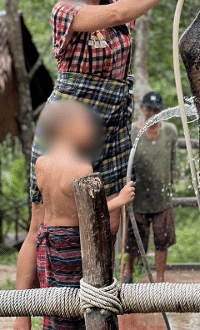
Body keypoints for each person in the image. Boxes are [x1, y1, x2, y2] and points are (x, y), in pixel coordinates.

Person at [14, 0, 200, 330]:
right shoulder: (66, 10)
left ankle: (94, 301)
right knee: (42, 222)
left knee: (111, 217)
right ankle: (22, 316)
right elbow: (122, 14)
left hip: (113, 122)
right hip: (69, 121)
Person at [32, 101, 135, 330]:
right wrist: (121, 199)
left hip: (47, 240)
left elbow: (63, 202)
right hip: (72, 244)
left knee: (54, 301)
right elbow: (89, 212)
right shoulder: (82, 168)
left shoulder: (41, 164)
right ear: (69, 128)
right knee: (79, 303)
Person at [123, 92, 178, 283]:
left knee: (162, 240)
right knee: (134, 240)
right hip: (138, 197)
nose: (152, 113)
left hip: (162, 197)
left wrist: (171, 182)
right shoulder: (132, 132)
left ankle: (160, 280)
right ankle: (128, 273)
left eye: (156, 110)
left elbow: (173, 161)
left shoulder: (170, 131)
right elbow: (126, 164)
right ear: (142, 109)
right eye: (149, 109)